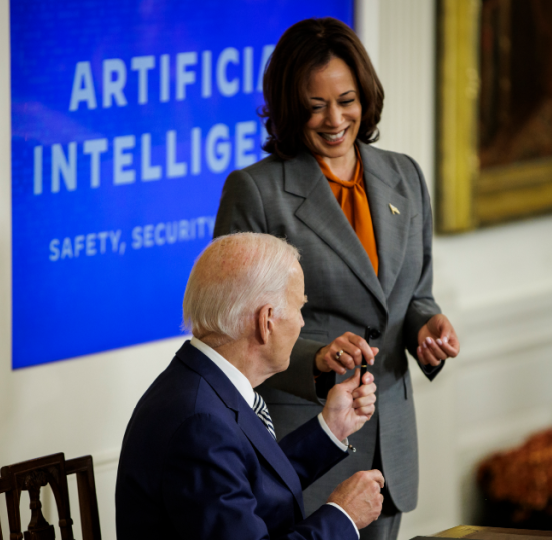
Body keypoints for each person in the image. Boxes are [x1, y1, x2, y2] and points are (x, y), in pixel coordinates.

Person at [213, 17, 460, 540]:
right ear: (288, 106)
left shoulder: (405, 176)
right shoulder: (256, 192)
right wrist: (316, 360)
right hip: (304, 446)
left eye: (346, 100)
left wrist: (427, 328)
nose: (334, 119)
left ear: (365, 97)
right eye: (315, 105)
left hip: (389, 444)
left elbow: (413, 295)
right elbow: (232, 333)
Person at [116, 232, 384, 539]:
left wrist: (332, 428)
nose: (301, 323)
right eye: (299, 308)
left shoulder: (201, 384)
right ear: (266, 320)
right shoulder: (200, 425)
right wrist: (343, 515)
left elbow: (250, 482)